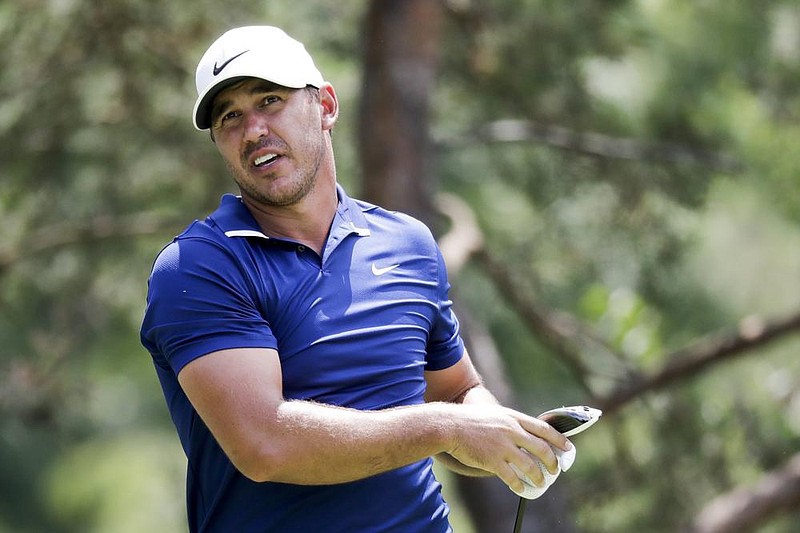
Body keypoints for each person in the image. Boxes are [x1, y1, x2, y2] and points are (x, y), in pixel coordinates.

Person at [140, 25, 571, 532]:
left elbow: (455, 392)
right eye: (229, 115)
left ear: (324, 106)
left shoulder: (408, 243)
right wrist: (448, 427)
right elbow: (265, 445)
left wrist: (504, 437)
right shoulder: (199, 268)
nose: (252, 129)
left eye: (270, 100)